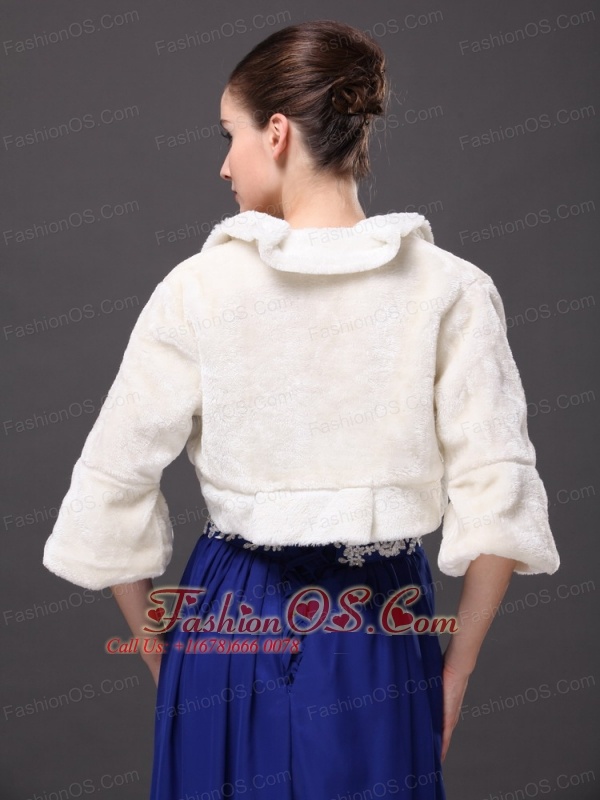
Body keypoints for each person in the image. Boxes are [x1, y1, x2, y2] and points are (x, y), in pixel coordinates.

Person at [42, 19, 560, 800]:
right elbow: (501, 495)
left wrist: (166, 662)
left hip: (226, 618)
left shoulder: (196, 290)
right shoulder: (452, 289)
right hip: (381, 624)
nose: (224, 164)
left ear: (277, 132)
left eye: (231, 134)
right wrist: (456, 675)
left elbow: (109, 489)